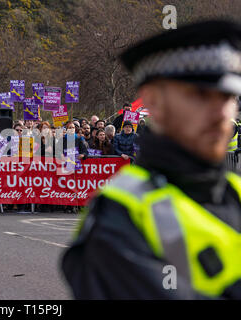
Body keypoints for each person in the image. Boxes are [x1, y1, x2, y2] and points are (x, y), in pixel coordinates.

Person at [62, 20, 241, 299]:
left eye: (228, 95)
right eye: (201, 95)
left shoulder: (235, 190)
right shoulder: (120, 213)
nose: (221, 113)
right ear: (154, 103)